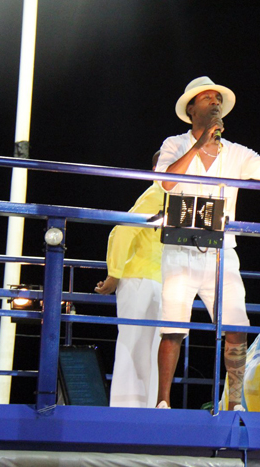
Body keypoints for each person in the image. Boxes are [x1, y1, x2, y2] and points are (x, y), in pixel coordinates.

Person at [155, 76, 260, 410]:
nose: (215, 103)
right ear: (191, 108)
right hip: (180, 247)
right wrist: (199, 145)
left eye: (217, 99)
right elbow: (166, 180)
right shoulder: (175, 143)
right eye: (207, 98)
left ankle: (235, 403)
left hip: (220, 251)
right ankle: (163, 401)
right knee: (172, 327)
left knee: (236, 325)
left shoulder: (236, 153)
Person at [95, 151, 165, 407]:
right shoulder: (156, 194)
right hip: (138, 279)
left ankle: (148, 410)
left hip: (159, 281)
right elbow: (122, 230)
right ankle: (125, 411)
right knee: (132, 346)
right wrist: (114, 273)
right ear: (157, 167)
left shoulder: (173, 197)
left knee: (153, 350)